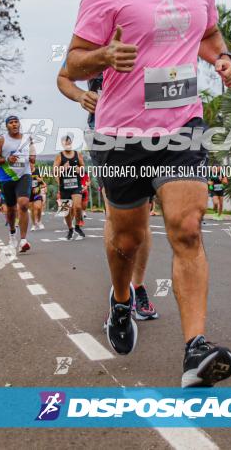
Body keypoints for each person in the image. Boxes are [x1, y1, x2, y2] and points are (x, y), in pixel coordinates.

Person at [62, 0, 231, 387]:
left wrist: (223, 60)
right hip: (120, 133)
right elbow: (74, 60)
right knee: (128, 239)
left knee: (186, 227)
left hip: (182, 124)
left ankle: (195, 350)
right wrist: (103, 58)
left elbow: (208, 35)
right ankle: (121, 302)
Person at [56, 67, 159, 320]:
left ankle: (138, 286)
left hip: (146, 129)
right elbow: (64, 76)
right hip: (106, 132)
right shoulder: (95, 36)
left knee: (143, 213)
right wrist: (81, 95)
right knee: (115, 214)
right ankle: (121, 298)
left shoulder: (146, 34)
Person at [0, 115, 36, 253]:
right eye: (11, 123)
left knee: (24, 204)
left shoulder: (28, 139)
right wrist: (6, 160)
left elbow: (32, 153)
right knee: (10, 209)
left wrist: (33, 158)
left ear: (19, 124)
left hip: (24, 175)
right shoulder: (2, 141)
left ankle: (23, 240)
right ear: (7, 126)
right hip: (7, 177)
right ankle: (12, 234)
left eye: (16, 122)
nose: (14, 124)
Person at [54, 135, 86, 241]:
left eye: (69, 142)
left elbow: (83, 167)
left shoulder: (78, 154)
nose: (67, 144)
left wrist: (79, 169)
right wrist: (63, 168)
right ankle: (70, 229)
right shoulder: (59, 156)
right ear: (62, 144)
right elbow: (54, 171)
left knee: (77, 207)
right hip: (64, 186)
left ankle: (77, 226)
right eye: (65, 143)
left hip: (76, 185)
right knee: (66, 211)